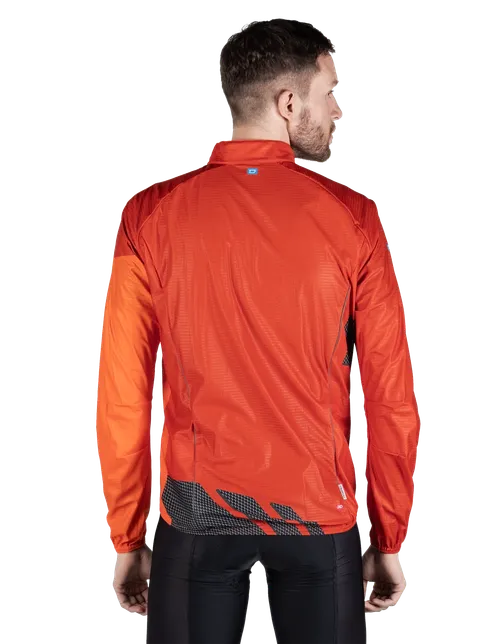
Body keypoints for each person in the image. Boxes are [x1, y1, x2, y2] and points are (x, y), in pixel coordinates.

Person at [94, 17, 421, 644]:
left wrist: (127, 539)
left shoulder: (150, 216)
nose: (339, 111)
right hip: (317, 516)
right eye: (331, 93)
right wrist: (389, 538)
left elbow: (123, 395)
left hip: (196, 514)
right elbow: (389, 396)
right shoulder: (353, 218)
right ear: (288, 102)